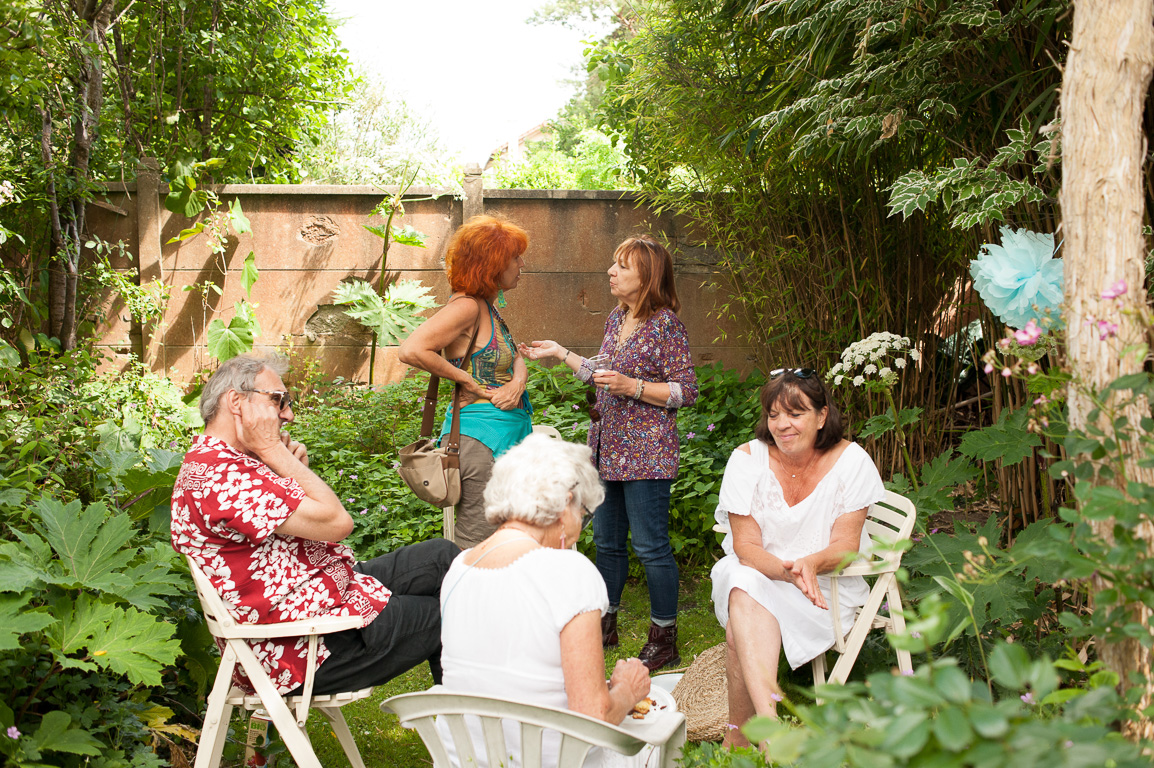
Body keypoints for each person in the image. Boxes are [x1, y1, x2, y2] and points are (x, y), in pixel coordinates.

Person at [171, 354, 458, 697]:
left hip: (314, 598)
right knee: (456, 614)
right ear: (236, 402)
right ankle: (473, 736)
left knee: (443, 558)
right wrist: (274, 451)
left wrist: (280, 464)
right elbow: (337, 522)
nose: (288, 413)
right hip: (302, 649)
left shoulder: (224, 462)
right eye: (277, 400)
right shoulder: (224, 478)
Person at [521, 237, 698, 672]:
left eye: (621, 266)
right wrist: (559, 352)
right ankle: (605, 622)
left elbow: (686, 390)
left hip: (647, 454)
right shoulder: (616, 318)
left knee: (651, 546)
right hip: (606, 451)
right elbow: (601, 373)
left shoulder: (666, 326)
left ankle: (664, 636)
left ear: (647, 276)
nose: (611, 272)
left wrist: (633, 387)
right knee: (606, 543)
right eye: (613, 265)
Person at [438, 433, 652, 767]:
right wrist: (627, 689)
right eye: (583, 512)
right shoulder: (569, 570)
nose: (580, 527)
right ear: (566, 503)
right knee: (660, 742)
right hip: (552, 760)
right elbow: (592, 719)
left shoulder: (459, 568)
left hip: (464, 760)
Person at [709, 369, 885, 747]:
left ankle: (739, 736)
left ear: (822, 416)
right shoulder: (746, 460)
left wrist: (811, 565)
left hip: (825, 589)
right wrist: (788, 572)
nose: (782, 425)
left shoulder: (851, 462)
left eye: (795, 413)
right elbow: (747, 548)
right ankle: (771, 735)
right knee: (743, 581)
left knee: (740, 610)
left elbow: (845, 545)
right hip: (762, 571)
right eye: (773, 415)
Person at [399, 215, 532, 548]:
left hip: (505, 435)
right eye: (514, 258)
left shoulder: (487, 306)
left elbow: (514, 354)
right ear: (492, 265)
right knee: (476, 545)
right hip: (479, 440)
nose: (521, 264)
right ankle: (458, 600)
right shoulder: (467, 307)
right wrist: (464, 380)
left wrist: (518, 380)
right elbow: (412, 349)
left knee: (508, 539)